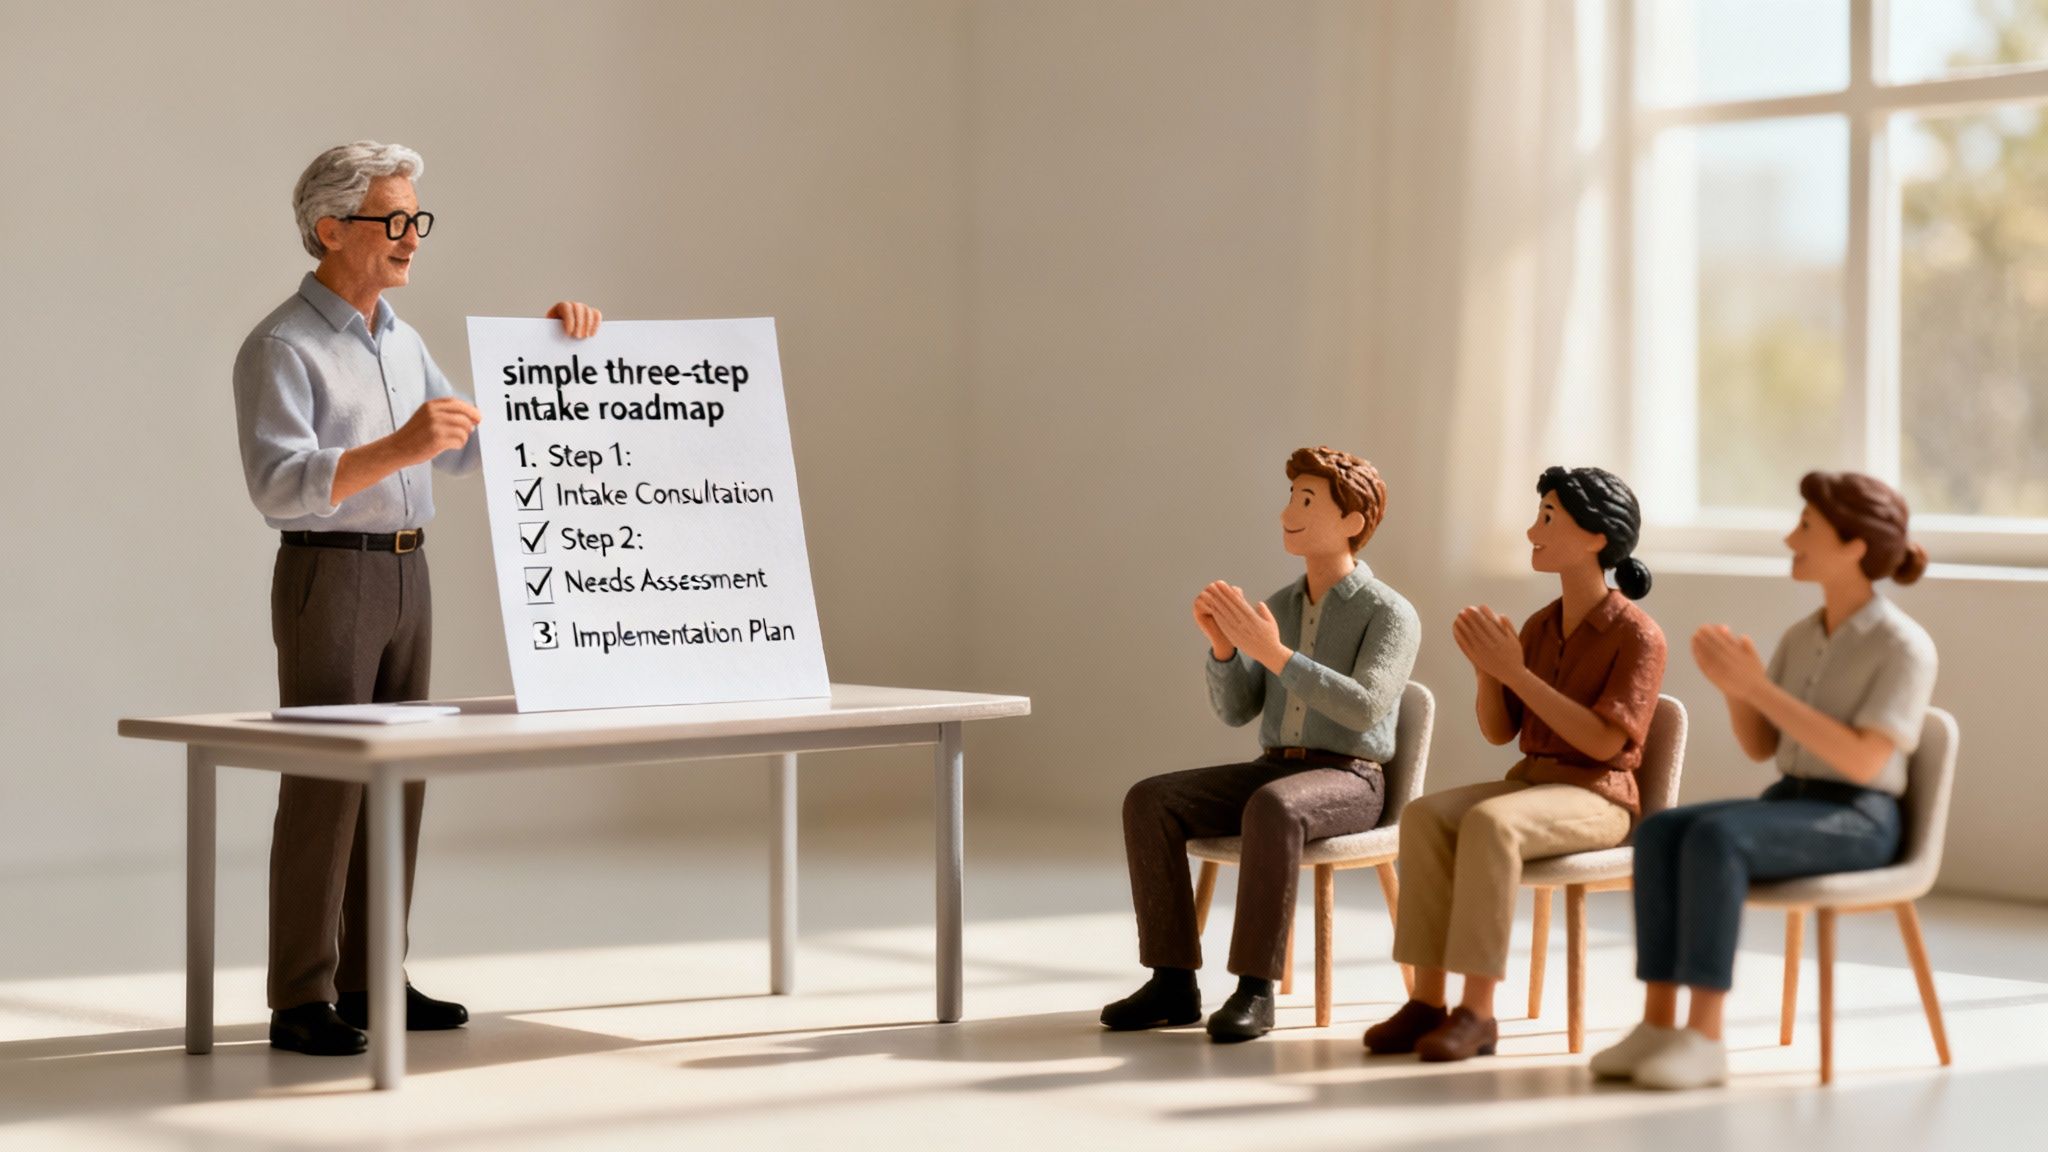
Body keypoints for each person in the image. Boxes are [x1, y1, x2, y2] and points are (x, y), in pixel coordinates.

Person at [233, 140, 603, 1056]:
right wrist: (399, 447)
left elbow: (471, 446)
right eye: (392, 220)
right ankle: (300, 995)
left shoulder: (404, 341)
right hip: (331, 572)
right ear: (331, 229)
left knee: (399, 776)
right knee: (326, 782)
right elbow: (278, 486)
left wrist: (549, 355)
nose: (412, 237)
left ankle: (371, 978)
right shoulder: (281, 347)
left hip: (409, 570)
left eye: (416, 219)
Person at [1593, 471, 1937, 1090]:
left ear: (1855, 545)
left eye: (1806, 527)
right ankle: (1658, 1023)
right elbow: (1763, 748)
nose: (1790, 539)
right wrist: (1738, 692)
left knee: (1714, 840)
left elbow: (1864, 762)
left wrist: (1760, 689)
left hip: (1859, 817)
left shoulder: (1903, 647)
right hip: (1792, 801)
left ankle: (1705, 1037)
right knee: (1663, 832)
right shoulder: (1804, 637)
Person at [1104, 446, 1421, 1043]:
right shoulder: (1279, 605)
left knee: (1273, 807)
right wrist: (1224, 649)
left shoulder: (1391, 614)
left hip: (1351, 778)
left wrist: (1274, 653)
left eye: (1307, 501)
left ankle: (1256, 988)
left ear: (1352, 521)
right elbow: (1236, 711)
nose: (1286, 513)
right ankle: (1172, 981)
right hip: (1274, 768)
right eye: (1291, 498)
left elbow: (1364, 707)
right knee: (1149, 800)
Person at [1364, 466, 1665, 1062]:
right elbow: (1503, 732)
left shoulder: (1638, 636)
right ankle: (1427, 1000)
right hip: (1534, 783)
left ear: (1595, 537)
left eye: (1548, 518)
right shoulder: (1541, 626)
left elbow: (1603, 743)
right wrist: (1489, 674)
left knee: (1490, 825)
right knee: (1424, 816)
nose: (1532, 532)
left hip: (1598, 797)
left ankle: (1478, 1013)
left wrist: (1515, 674)